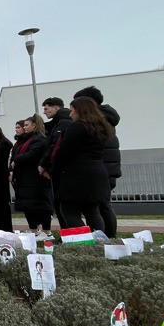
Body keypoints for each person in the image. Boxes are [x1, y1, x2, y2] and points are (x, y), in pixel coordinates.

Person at [44, 96, 112, 233]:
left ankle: (83, 241)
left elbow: (64, 151)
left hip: (77, 175)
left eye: (72, 111)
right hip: (97, 172)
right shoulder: (102, 127)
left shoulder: (77, 127)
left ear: (80, 110)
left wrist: (54, 169)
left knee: (69, 211)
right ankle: (99, 239)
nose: (70, 114)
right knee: (92, 211)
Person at [74, 86, 121, 237]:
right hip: (105, 167)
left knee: (102, 206)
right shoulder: (104, 118)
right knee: (102, 206)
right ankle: (108, 236)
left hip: (100, 167)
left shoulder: (96, 120)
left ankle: (108, 237)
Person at [10, 115, 54, 239]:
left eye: (26, 125)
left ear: (34, 125)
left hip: (36, 178)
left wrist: (16, 159)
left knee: (42, 206)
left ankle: (47, 232)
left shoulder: (40, 139)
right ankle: (34, 231)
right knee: (28, 207)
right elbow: (17, 154)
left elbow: (32, 154)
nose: (24, 127)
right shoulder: (24, 140)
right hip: (25, 179)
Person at [39, 97, 72, 229]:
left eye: (46, 109)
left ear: (56, 108)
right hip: (57, 168)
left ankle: (71, 235)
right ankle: (66, 234)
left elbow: (54, 146)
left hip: (62, 169)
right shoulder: (56, 123)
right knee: (59, 204)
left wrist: (43, 164)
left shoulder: (63, 123)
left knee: (65, 206)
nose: (44, 112)